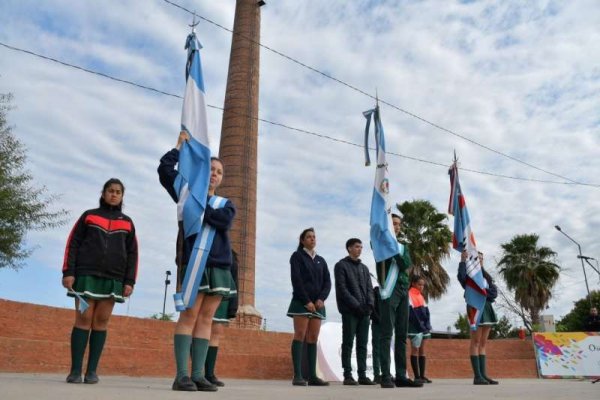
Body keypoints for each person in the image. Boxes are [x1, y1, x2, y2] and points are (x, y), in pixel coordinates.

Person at [158, 132, 236, 392]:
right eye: (211, 169)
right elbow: (165, 170)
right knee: (189, 316)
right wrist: (179, 147)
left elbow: (222, 220)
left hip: (218, 267)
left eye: (219, 172)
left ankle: (199, 374)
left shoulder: (226, 203)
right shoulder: (185, 192)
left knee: (206, 319)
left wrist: (201, 207)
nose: (214, 174)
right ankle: (182, 375)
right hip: (193, 264)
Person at [61, 178, 138, 384]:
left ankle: (92, 371)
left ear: (122, 196)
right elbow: (73, 244)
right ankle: (75, 371)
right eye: (110, 191)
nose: (114, 194)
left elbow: (133, 254)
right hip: (85, 275)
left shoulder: (127, 222)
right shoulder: (89, 216)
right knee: (83, 319)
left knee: (102, 321)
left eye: (118, 192)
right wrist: (68, 272)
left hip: (114, 279)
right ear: (103, 193)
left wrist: (129, 281)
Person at [376, 213, 423, 388]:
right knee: (387, 333)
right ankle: (386, 375)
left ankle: (401, 375)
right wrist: (387, 243)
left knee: (402, 334)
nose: (396, 226)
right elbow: (378, 253)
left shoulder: (403, 247)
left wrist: (394, 249)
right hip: (389, 289)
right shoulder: (380, 244)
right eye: (393, 223)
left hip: (403, 290)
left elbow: (405, 264)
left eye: (398, 224)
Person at [287, 227, 331, 386]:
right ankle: (297, 375)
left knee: (313, 338)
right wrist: (307, 301)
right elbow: (296, 280)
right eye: (309, 237)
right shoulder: (297, 256)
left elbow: (327, 282)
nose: (312, 239)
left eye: (314, 236)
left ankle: (312, 376)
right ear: (302, 240)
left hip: (318, 305)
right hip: (301, 302)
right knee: (300, 334)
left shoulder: (321, 260)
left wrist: (321, 298)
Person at [334, 238, 375, 386]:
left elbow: (370, 289)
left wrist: (370, 306)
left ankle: (362, 375)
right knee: (348, 343)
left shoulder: (364, 268)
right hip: (350, 312)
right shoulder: (341, 266)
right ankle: (347, 375)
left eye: (361, 247)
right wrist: (357, 306)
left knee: (363, 344)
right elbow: (342, 289)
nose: (360, 249)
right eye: (357, 247)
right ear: (349, 248)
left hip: (365, 312)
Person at [458, 250, 499, 385]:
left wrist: (481, 292)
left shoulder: (486, 276)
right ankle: (477, 376)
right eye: (476, 258)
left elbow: (494, 293)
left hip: (487, 307)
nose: (479, 260)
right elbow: (461, 278)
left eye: (481, 258)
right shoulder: (469, 275)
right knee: (475, 342)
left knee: (483, 343)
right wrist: (463, 261)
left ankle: (483, 375)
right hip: (475, 306)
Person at [204, 250, 239, 387]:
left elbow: (234, 280)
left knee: (216, 332)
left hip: (224, 294)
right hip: (207, 289)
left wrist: (233, 305)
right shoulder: (207, 246)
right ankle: (197, 372)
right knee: (200, 330)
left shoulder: (232, 255)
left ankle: (209, 374)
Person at [408, 275, 432, 384]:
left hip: (424, 328)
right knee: (415, 350)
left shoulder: (421, 296)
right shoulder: (409, 294)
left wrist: (428, 325)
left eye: (423, 285)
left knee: (423, 350)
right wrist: (421, 327)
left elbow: (427, 312)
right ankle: (416, 376)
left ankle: (422, 376)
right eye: (419, 284)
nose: (422, 287)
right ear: (413, 283)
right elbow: (411, 314)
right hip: (415, 327)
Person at [370, 282, 382, 384]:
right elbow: (372, 308)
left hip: (387, 324)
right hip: (377, 323)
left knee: (385, 349)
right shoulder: (375, 291)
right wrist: (378, 319)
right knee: (377, 349)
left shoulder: (391, 292)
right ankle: (377, 375)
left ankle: (385, 372)